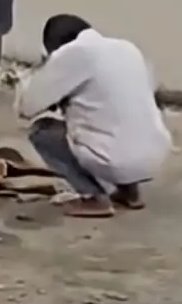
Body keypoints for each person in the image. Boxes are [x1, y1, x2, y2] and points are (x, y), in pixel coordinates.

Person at [14, 14, 173, 218]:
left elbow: (26, 108)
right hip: (156, 155)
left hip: (116, 159)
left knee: (42, 131)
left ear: (57, 47)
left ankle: (93, 198)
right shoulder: (127, 48)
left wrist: (43, 70)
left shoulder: (73, 54)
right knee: (118, 121)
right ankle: (130, 193)